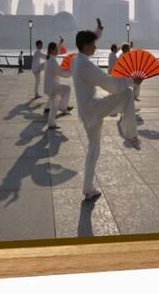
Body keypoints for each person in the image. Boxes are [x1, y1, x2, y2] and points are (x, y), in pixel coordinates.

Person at [72, 18, 141, 200]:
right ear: (85, 45)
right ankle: (131, 134)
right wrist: (132, 80)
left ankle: (88, 188)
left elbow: (87, 39)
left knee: (93, 148)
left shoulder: (75, 59)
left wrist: (98, 30)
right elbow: (110, 85)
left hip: (85, 111)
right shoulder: (85, 65)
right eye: (94, 44)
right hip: (93, 108)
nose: (96, 47)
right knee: (126, 93)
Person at [44, 41, 73, 129]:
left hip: (50, 86)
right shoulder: (52, 61)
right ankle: (63, 107)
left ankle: (51, 124)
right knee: (67, 89)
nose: (58, 50)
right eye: (56, 49)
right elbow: (61, 72)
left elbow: (56, 52)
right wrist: (71, 71)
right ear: (52, 50)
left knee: (54, 106)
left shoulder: (49, 58)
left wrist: (60, 44)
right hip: (53, 86)